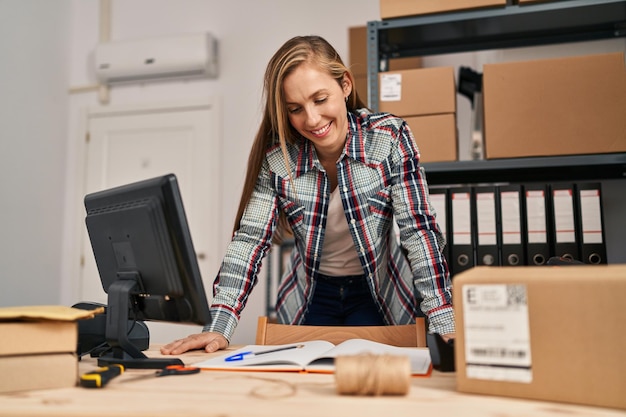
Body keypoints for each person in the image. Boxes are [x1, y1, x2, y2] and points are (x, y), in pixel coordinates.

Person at [161, 35, 455, 356]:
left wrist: (444, 320)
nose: (312, 120)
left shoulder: (389, 137)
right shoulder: (279, 157)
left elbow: (418, 231)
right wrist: (219, 324)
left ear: (344, 85)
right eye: (295, 109)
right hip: (311, 295)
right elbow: (249, 241)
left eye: (320, 99)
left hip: (378, 293)